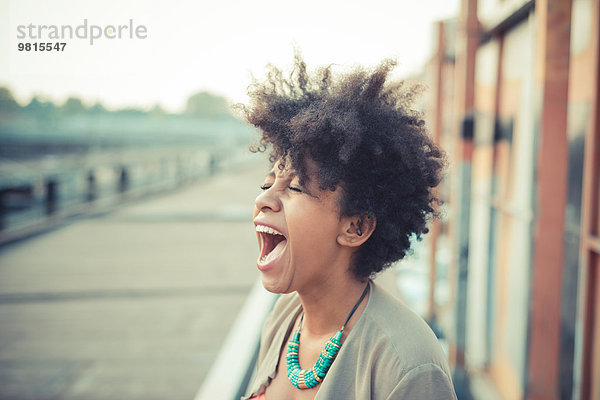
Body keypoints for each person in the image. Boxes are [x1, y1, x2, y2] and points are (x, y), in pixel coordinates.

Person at [239, 54, 457, 400]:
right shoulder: (285, 317)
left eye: (295, 188)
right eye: (268, 183)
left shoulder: (407, 364)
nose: (265, 199)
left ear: (355, 227)